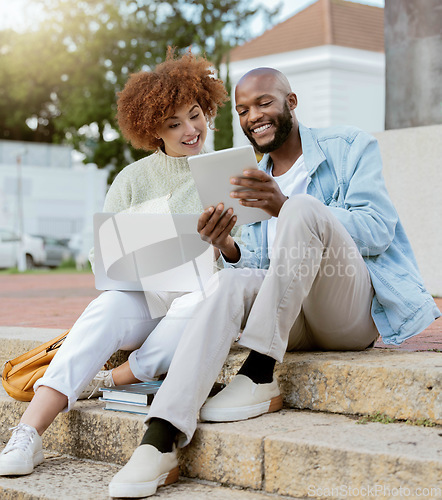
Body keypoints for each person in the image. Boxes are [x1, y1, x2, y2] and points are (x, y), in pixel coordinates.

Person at [107, 67, 441, 498]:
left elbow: (377, 229)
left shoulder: (348, 146)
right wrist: (226, 245)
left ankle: (260, 371)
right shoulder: (245, 175)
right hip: (290, 319)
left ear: (291, 102)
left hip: (347, 314)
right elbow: (260, 269)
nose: (253, 116)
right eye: (243, 109)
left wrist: (285, 205)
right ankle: (160, 437)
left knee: (302, 209)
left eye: (264, 102)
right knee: (228, 285)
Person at [0, 49, 228, 477]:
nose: (190, 130)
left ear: (208, 109)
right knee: (105, 308)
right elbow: (99, 256)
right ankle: (28, 435)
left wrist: (222, 247)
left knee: (199, 295)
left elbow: (250, 258)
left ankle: (119, 376)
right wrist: (133, 259)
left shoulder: (227, 170)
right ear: (153, 131)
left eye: (194, 115)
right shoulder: (131, 180)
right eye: (173, 124)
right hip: (146, 294)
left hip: (201, 296)